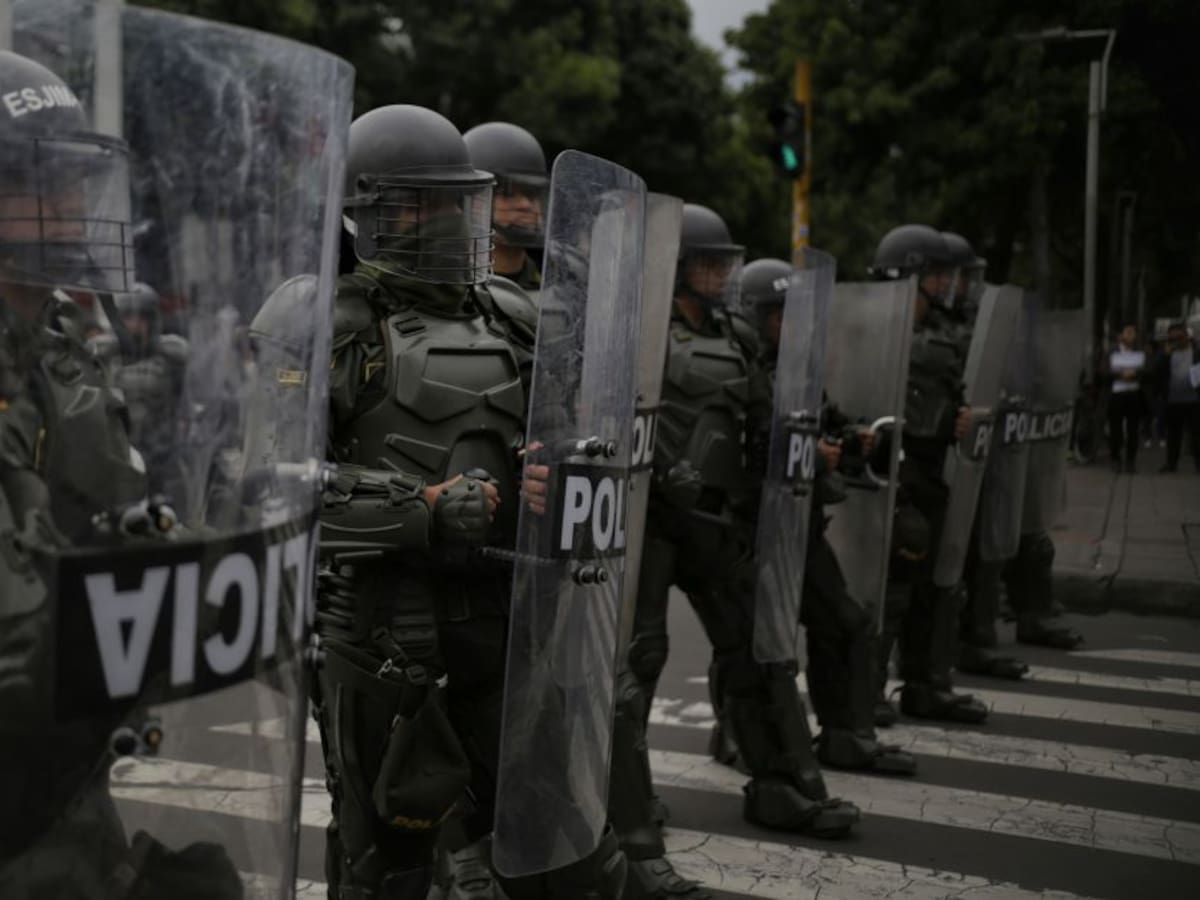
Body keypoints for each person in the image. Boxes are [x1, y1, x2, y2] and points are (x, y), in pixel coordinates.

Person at [313, 104, 625, 900]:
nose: (444, 222)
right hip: (385, 628)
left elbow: (563, 442)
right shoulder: (325, 323)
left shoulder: (514, 316)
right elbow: (266, 486)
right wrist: (417, 505)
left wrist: (550, 479)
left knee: (555, 844)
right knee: (387, 863)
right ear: (366, 213)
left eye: (455, 202)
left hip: (508, 616)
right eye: (417, 205)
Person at [609, 205, 859, 900]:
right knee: (638, 663)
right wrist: (661, 472)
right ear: (676, 270)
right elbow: (616, 419)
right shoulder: (640, 334)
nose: (720, 275)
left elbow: (765, 419)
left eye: (724, 264)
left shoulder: (738, 335)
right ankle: (626, 810)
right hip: (651, 519)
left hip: (719, 521)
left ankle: (779, 782)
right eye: (707, 264)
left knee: (754, 648)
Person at [738, 256, 916, 775]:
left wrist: (853, 437)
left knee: (845, 622)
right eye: (780, 316)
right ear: (756, 318)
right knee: (752, 644)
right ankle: (736, 738)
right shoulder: (743, 373)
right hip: (756, 530)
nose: (792, 326)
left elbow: (827, 423)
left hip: (803, 524)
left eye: (798, 315)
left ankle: (846, 735)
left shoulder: (800, 373)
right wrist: (811, 454)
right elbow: (747, 448)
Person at [868, 223, 987, 725]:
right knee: (891, 591)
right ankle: (867, 691)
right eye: (935, 275)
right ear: (907, 276)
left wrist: (959, 417)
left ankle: (924, 684)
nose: (945, 285)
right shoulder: (878, 329)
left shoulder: (941, 332)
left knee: (933, 587)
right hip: (892, 472)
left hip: (932, 468)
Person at [463, 122, 547, 291]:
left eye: (532, 194)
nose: (525, 204)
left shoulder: (557, 284)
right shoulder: (444, 288)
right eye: (507, 194)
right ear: (470, 201)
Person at [1155, 322, 1200, 473]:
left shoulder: (1196, 352)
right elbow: (1157, 372)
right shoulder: (1167, 354)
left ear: (1186, 336)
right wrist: (1165, 355)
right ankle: (1171, 463)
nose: (1176, 342)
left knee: (1197, 434)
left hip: (1194, 400)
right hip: (1173, 400)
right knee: (1173, 434)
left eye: (1179, 338)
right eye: (1172, 339)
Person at [1107, 324, 1146, 473]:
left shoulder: (1140, 352)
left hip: (1134, 395)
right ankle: (1115, 458)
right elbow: (1103, 371)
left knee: (1133, 430)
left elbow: (1148, 370)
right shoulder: (1112, 352)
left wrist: (1135, 374)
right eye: (1127, 332)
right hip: (1116, 395)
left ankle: (1130, 461)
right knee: (1115, 429)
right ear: (1121, 335)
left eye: (1132, 333)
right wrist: (1120, 374)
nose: (1130, 336)